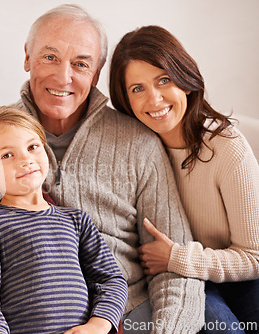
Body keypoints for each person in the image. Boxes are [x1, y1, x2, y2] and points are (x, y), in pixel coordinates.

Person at [13, 4, 206, 333]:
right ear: (28, 56)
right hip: (32, 316)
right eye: (50, 57)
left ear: (97, 72)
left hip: (131, 310)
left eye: (81, 63)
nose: (64, 77)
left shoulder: (138, 142)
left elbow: (175, 266)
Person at [109, 25, 259, 333]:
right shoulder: (131, 152)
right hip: (192, 283)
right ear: (124, 100)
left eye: (164, 80)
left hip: (242, 276)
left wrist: (177, 257)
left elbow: (254, 257)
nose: (154, 99)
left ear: (185, 80)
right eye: (137, 89)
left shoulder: (226, 147)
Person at [0, 106, 128, 334]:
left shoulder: (76, 220)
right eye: (6, 155)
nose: (25, 160)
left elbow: (111, 279)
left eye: (32, 147)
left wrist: (98, 325)